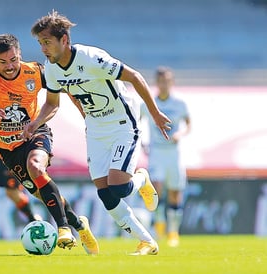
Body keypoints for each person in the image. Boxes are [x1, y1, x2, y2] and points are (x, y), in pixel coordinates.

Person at [26, 11, 171, 255]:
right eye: (40, 43)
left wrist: (155, 114)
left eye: (47, 42)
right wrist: (36, 122)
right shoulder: (51, 69)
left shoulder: (92, 57)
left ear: (64, 40)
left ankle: (142, 179)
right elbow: (52, 103)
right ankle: (146, 241)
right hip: (95, 128)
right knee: (105, 192)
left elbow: (134, 76)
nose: (43, 48)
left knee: (118, 186)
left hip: (123, 122)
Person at [0, 33, 99, 255]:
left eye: (13, 60)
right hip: (7, 149)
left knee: (36, 167)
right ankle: (80, 225)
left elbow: (64, 91)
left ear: (20, 54)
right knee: (42, 193)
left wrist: (83, 114)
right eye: (3, 62)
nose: (9, 66)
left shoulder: (35, 71)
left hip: (34, 132)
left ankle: (63, 228)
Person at [141, 66, 191, 247]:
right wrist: (142, 142)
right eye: (161, 81)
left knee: (175, 192)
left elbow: (188, 125)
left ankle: (173, 232)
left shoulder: (180, 103)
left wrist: (180, 134)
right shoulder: (148, 103)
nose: (164, 84)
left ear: (172, 82)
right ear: (157, 83)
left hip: (174, 154)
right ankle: (160, 224)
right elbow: (138, 123)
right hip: (157, 153)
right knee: (157, 188)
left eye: (167, 81)